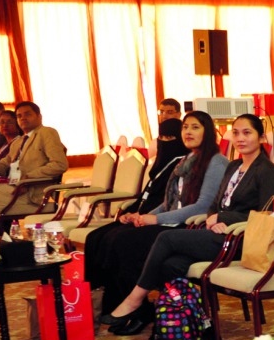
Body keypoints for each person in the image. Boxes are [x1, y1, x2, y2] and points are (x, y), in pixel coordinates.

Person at [100, 114, 274, 336]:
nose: (240, 138)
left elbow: (268, 214)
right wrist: (213, 217)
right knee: (171, 264)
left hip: (242, 240)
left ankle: (134, 300)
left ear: (261, 137)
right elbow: (213, 204)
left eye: (247, 133)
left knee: (166, 238)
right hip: (219, 233)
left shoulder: (267, 170)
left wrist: (225, 219)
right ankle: (188, 324)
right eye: (236, 133)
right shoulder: (234, 166)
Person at [88, 111, 228, 319]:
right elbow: (168, 203)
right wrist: (141, 216)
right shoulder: (186, 160)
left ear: (208, 132)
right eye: (185, 127)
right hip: (171, 222)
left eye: (195, 127)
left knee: (126, 241)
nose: (188, 132)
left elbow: (202, 207)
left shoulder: (215, 162)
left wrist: (156, 220)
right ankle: (108, 303)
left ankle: (136, 308)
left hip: (188, 227)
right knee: (109, 234)